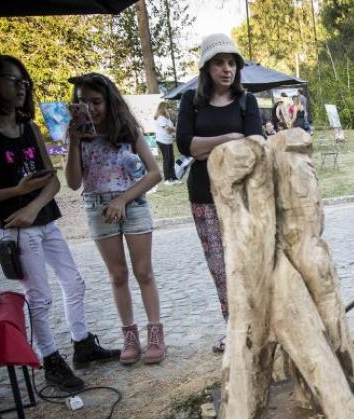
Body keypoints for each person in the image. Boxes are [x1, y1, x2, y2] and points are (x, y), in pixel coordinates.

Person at [0, 54, 119, 391]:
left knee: (74, 282)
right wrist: (15, 192)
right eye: (12, 80)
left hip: (44, 219)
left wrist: (33, 204)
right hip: (15, 227)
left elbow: (53, 181)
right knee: (40, 295)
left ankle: (82, 344)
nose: (21, 87)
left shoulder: (29, 127)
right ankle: (50, 359)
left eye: (24, 81)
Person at [65, 73, 166, 365]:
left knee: (144, 272)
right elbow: (73, 182)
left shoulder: (126, 129)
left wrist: (123, 199)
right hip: (97, 208)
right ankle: (129, 337)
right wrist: (73, 142)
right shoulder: (76, 136)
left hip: (132, 205)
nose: (89, 108)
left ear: (109, 101)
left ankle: (156, 334)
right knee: (118, 275)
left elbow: (154, 173)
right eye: (82, 102)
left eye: (96, 101)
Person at [176, 33, 263, 354]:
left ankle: (258, 322)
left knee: (247, 260)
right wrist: (230, 136)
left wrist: (206, 146)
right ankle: (235, 327)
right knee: (220, 266)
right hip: (203, 196)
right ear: (206, 67)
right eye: (219, 63)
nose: (226, 69)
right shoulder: (190, 102)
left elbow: (255, 146)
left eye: (231, 63)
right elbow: (186, 145)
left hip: (242, 195)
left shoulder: (246, 101)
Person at [154, 101, 179, 183]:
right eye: (167, 108)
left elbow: (170, 128)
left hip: (169, 141)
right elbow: (168, 129)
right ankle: (167, 179)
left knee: (171, 159)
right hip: (162, 141)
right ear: (163, 108)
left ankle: (174, 178)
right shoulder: (160, 118)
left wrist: (174, 131)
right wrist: (178, 131)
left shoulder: (166, 118)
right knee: (167, 159)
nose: (168, 109)